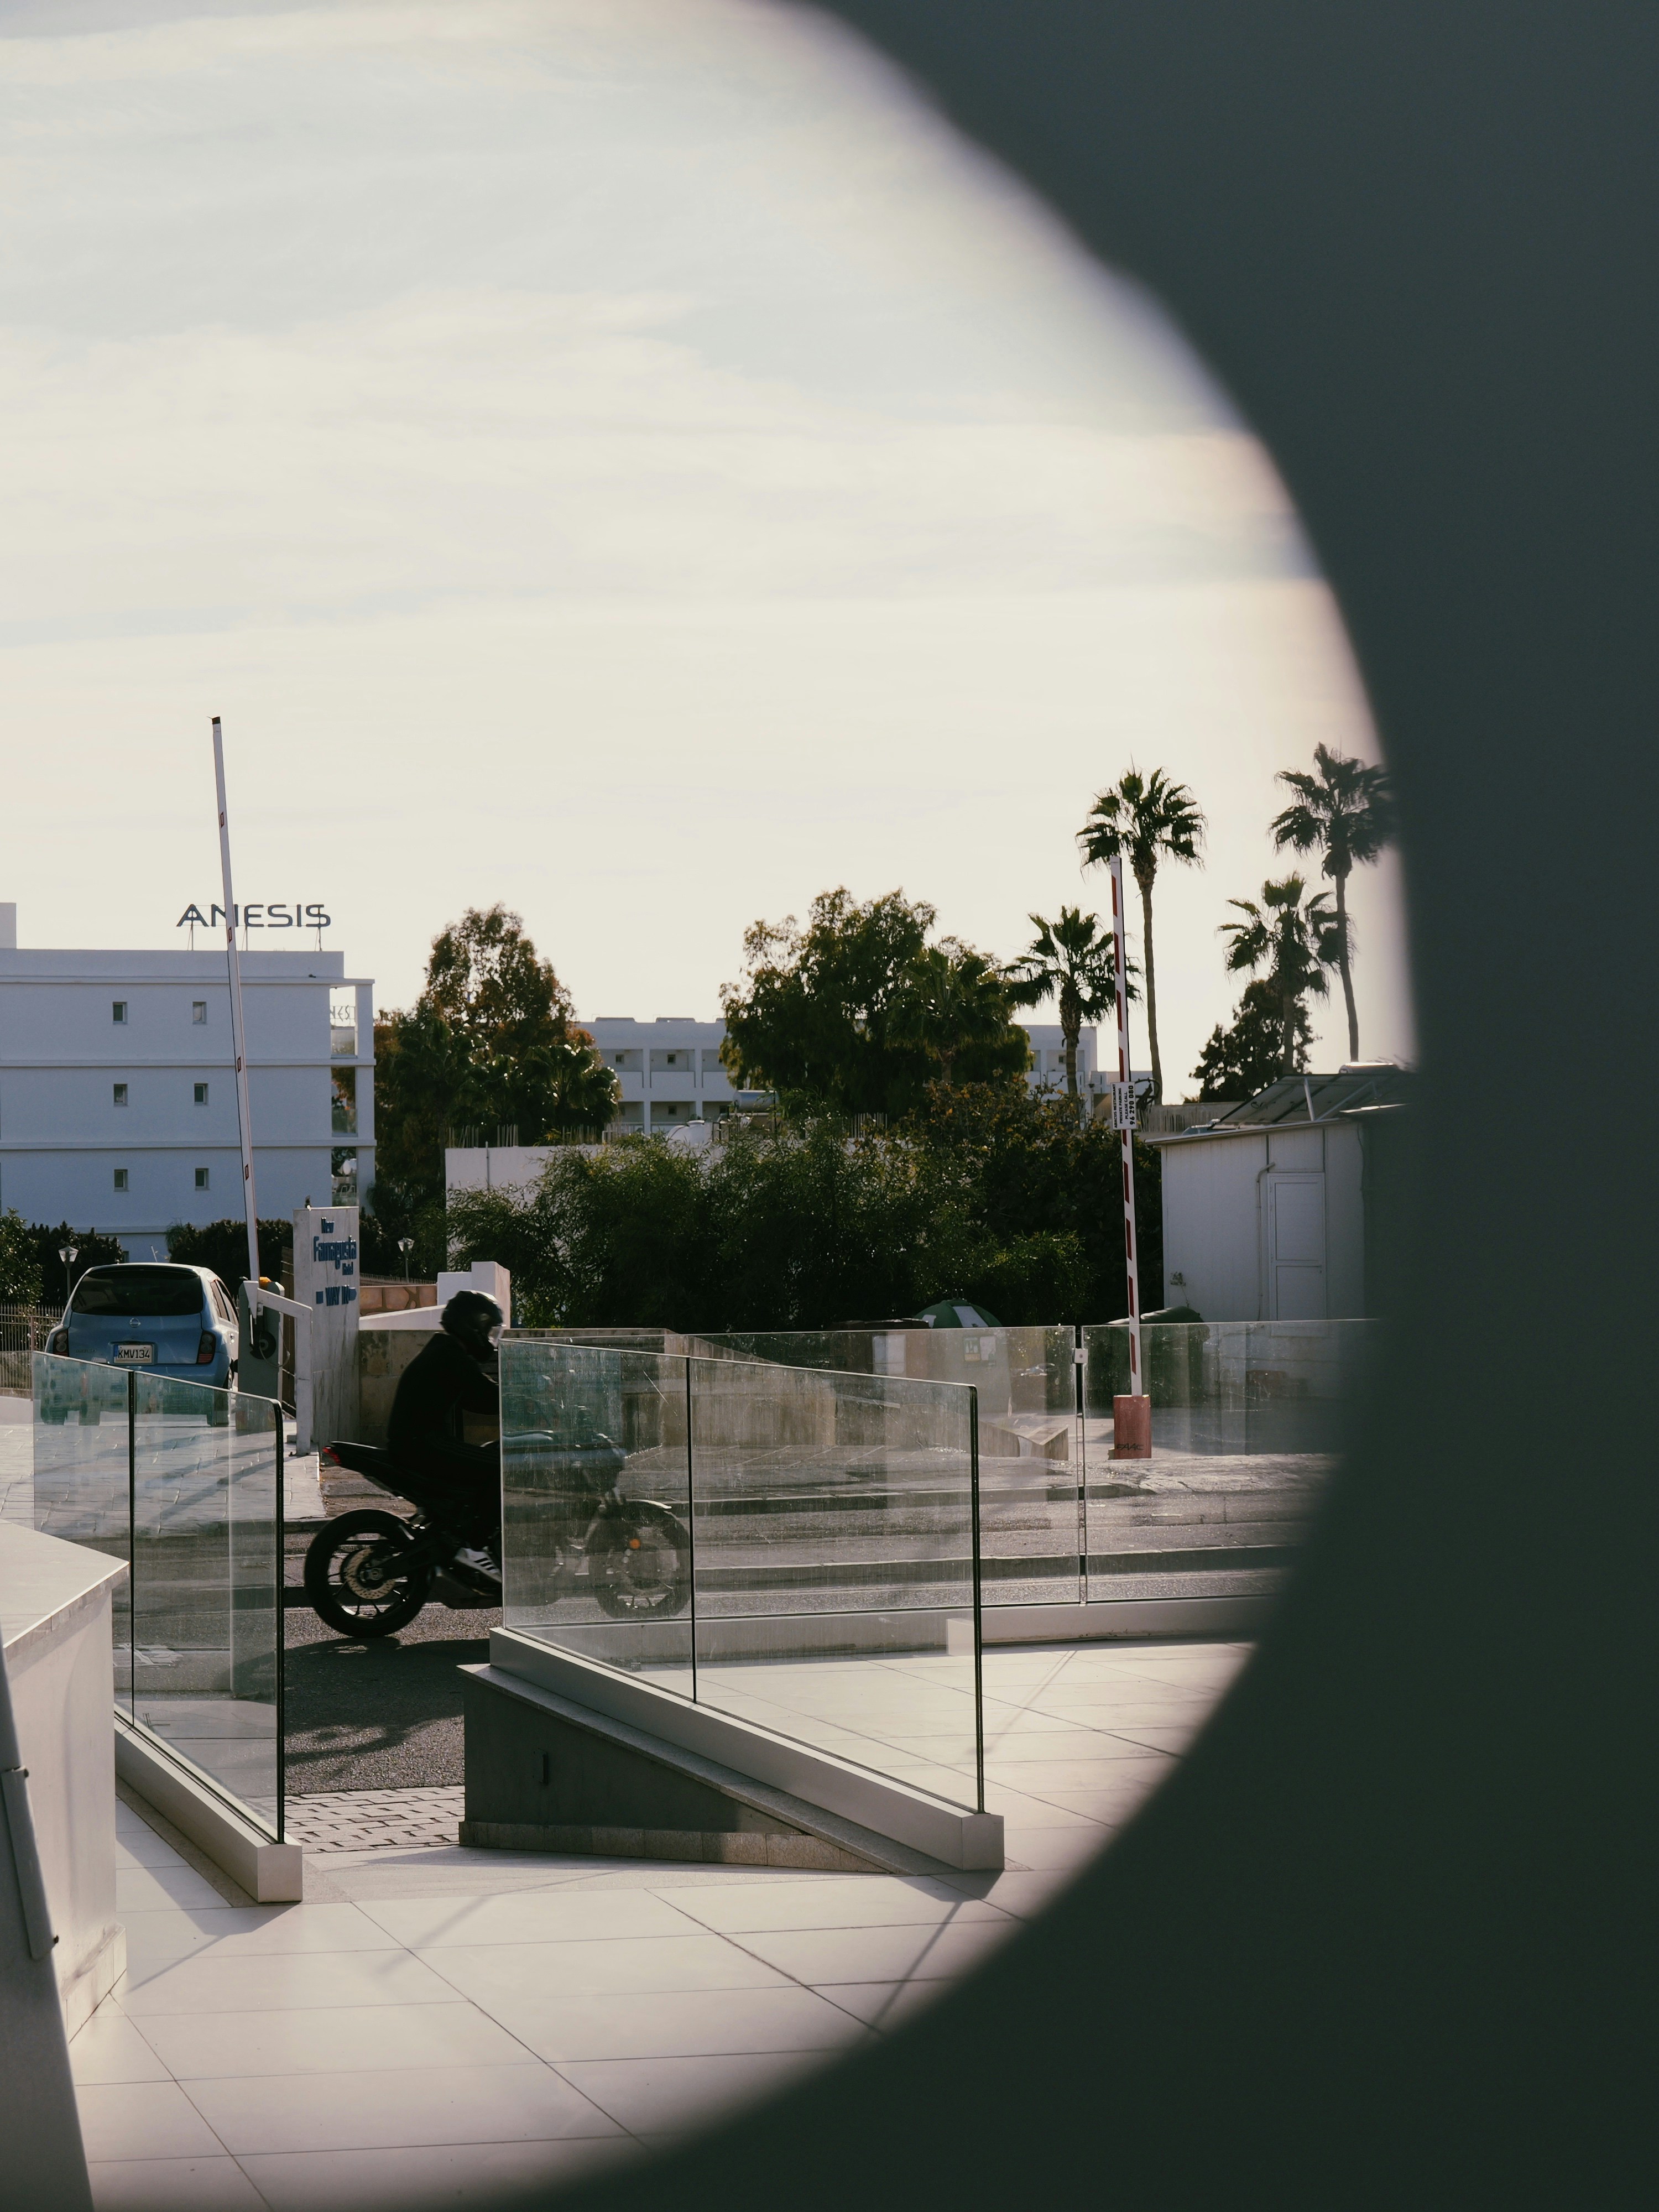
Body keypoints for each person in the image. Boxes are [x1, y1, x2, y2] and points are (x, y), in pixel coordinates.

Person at [386, 1290, 503, 1573]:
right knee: (499, 1467)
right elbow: (487, 1396)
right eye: (489, 1331)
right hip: (424, 1444)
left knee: (487, 1455)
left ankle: (456, 1533)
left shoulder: (445, 1351)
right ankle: (475, 1547)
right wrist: (528, 1398)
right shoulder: (451, 1356)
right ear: (472, 1325)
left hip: (417, 1443)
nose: (490, 1339)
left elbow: (474, 1399)